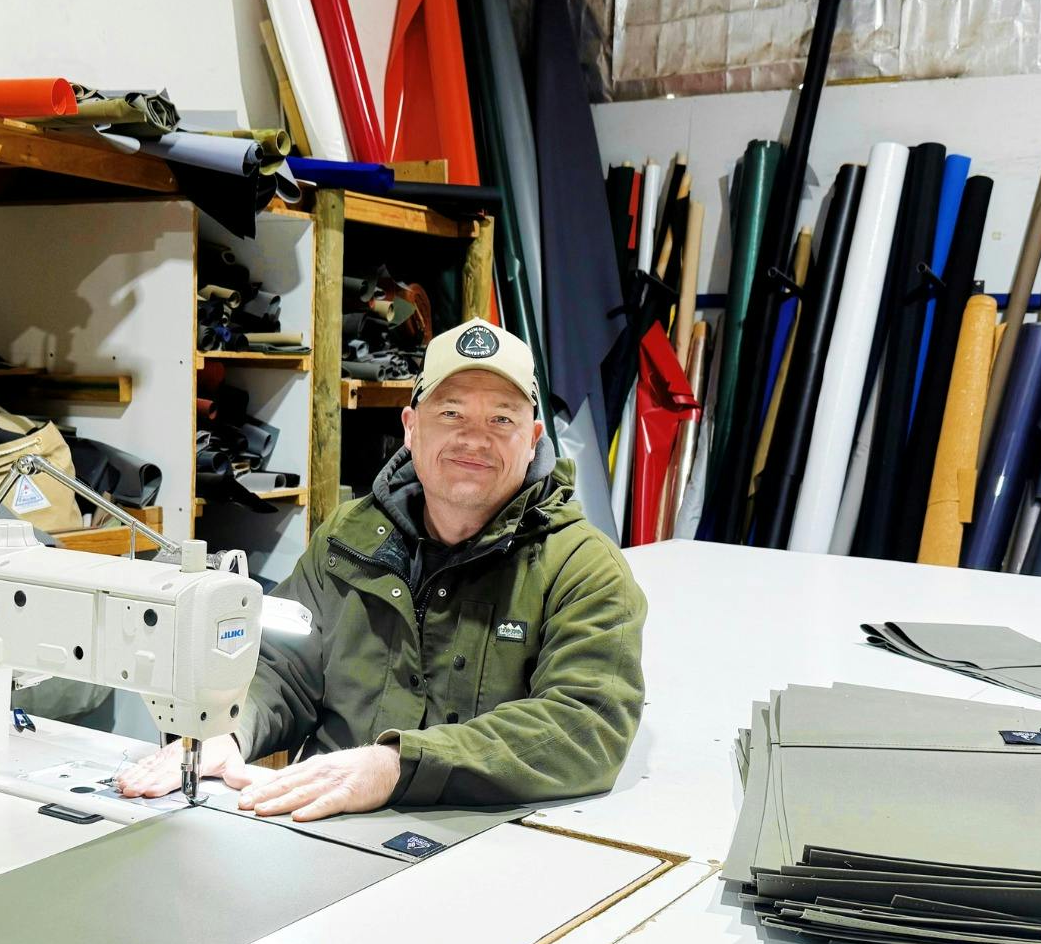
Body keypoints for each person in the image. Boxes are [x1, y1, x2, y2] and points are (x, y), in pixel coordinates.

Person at [117, 319, 646, 821]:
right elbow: (281, 667)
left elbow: (585, 726)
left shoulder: (582, 568)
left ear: (532, 438)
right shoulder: (346, 538)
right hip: (323, 827)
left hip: (481, 844)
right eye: (451, 413)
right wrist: (229, 731)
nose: (474, 439)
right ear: (411, 428)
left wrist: (398, 765)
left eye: (501, 419)